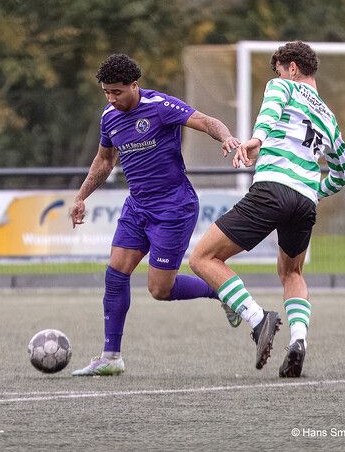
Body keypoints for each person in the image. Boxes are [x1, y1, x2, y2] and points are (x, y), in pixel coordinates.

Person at [70, 53, 242, 376]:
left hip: (173, 207)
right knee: (115, 272)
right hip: (137, 206)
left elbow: (206, 121)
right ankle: (111, 357)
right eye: (106, 92)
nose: (111, 98)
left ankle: (223, 290)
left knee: (160, 289)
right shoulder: (109, 117)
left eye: (117, 92)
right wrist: (81, 197)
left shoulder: (160, 106)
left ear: (134, 85)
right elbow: (105, 161)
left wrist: (227, 137)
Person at [189, 41, 345, 377]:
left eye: (279, 69)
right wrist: (316, 191)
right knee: (292, 273)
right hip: (304, 202)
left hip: (273, 189)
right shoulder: (330, 118)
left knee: (202, 258)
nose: (277, 76)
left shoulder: (282, 86)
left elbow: (270, 110)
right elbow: (343, 171)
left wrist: (257, 140)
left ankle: (257, 318)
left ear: (292, 68)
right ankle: (299, 339)